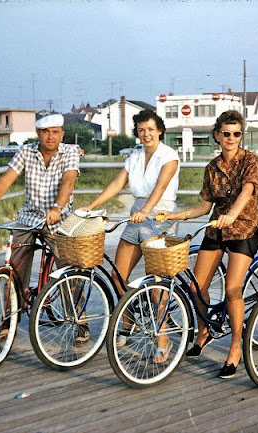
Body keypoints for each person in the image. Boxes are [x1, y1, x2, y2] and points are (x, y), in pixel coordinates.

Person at [157, 110, 258, 379]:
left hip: (245, 228)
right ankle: (204, 330)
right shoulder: (212, 168)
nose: (231, 138)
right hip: (216, 228)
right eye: (226, 133)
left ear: (242, 135)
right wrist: (175, 214)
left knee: (232, 290)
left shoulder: (251, 161)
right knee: (196, 286)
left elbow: (247, 191)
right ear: (217, 135)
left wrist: (233, 215)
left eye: (236, 134)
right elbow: (204, 206)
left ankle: (236, 346)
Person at [78, 109, 179, 361]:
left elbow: (161, 186)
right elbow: (117, 184)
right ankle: (129, 318)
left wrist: (146, 210)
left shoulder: (169, 156)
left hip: (160, 216)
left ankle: (163, 339)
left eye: (150, 129)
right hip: (137, 213)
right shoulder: (134, 156)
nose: (146, 134)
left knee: (155, 282)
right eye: (141, 130)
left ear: (160, 131)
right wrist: (91, 206)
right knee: (117, 276)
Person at [0, 113, 80, 341]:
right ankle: (9, 318)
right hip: (29, 217)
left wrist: (57, 207)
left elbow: (69, 181)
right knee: (13, 266)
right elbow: (7, 178)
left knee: (67, 268)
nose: (50, 137)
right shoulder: (26, 151)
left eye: (55, 132)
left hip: (59, 218)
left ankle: (78, 319)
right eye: (45, 132)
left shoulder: (70, 151)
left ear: (62, 133)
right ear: (38, 133)